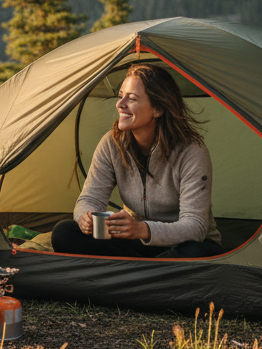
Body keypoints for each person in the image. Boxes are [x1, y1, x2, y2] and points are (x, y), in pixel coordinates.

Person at [50, 63, 223, 258]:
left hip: (181, 243)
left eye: (131, 98)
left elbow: (195, 227)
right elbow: (90, 198)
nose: (120, 104)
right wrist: (85, 217)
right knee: (65, 233)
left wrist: (143, 229)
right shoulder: (112, 143)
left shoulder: (191, 151)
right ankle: (147, 274)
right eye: (120, 95)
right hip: (135, 241)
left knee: (196, 251)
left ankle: (132, 273)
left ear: (158, 109)